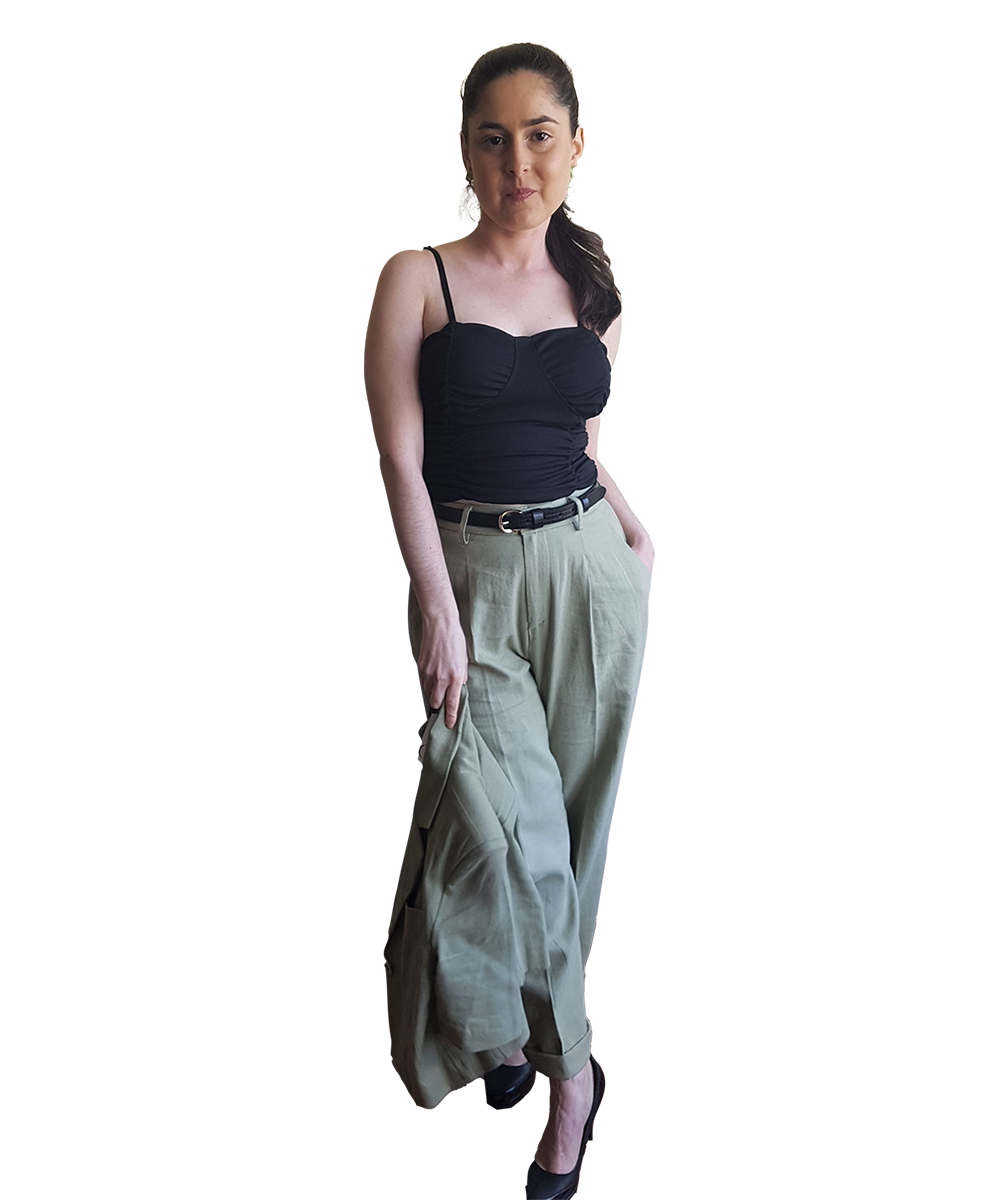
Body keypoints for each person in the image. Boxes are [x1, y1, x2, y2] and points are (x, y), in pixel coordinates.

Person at [364, 42, 652, 1199]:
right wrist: (437, 608)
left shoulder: (595, 294)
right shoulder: (417, 278)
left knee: (571, 838)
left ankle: (522, 1032)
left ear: (575, 146)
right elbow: (400, 456)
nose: (517, 160)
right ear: (466, 152)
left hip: (590, 573)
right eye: (494, 138)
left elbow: (580, 443)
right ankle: (573, 1077)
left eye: (539, 135)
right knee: (505, 840)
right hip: (471, 575)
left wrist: (631, 532)